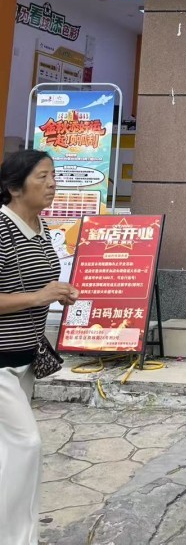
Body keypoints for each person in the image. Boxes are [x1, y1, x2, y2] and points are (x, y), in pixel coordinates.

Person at [0, 149, 78, 545]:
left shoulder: (42, 227)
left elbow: (37, 284)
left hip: (25, 360)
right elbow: (31, 293)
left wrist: (58, 293)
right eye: (42, 176)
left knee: (12, 454)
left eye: (53, 175)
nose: (52, 184)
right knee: (25, 445)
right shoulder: (1, 229)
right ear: (15, 188)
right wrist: (38, 296)